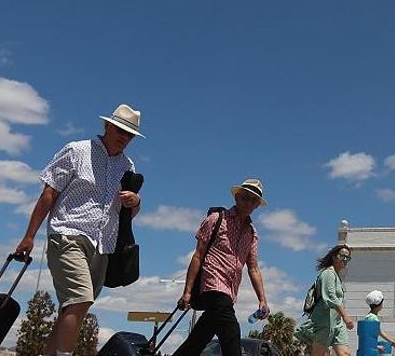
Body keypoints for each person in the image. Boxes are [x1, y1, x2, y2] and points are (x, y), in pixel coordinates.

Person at [14, 103, 145, 356]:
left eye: (129, 135)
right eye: (120, 130)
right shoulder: (77, 151)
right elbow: (49, 192)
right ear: (107, 126)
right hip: (68, 233)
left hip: (103, 245)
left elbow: (126, 215)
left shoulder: (128, 167)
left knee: (71, 308)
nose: (124, 138)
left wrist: (135, 202)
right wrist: (29, 236)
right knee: (81, 298)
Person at [174, 178, 270, 356]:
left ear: (257, 205)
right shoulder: (217, 219)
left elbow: (253, 268)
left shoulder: (252, 233)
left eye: (253, 200)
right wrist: (187, 292)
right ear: (237, 198)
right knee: (231, 330)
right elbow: (198, 255)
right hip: (212, 283)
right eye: (245, 197)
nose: (248, 203)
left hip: (230, 289)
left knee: (200, 338)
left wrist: (262, 299)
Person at [296, 244, 355, 356]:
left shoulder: (337, 276)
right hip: (324, 320)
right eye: (342, 256)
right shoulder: (328, 273)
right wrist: (345, 316)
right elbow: (330, 297)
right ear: (334, 256)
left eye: (348, 258)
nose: (345, 259)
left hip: (337, 322)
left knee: (345, 353)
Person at [360, 290, 395, 355]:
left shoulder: (368, 316)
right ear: (380, 304)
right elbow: (378, 332)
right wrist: (393, 343)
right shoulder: (373, 318)